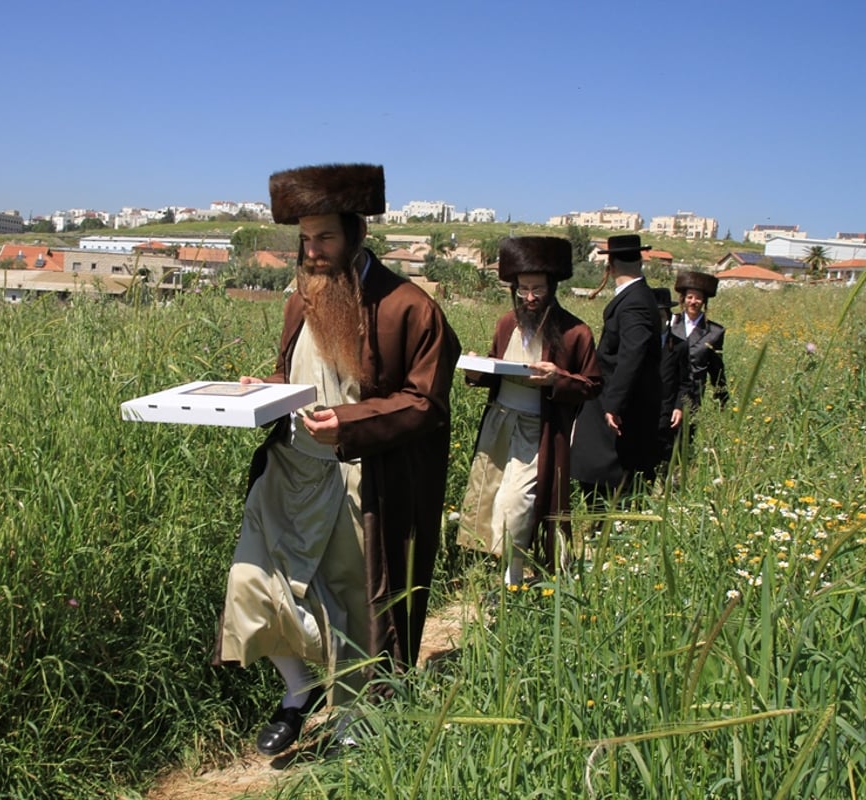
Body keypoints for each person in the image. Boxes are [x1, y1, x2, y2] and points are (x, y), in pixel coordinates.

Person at [213, 163, 461, 757]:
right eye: (304, 239)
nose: (312, 251)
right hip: (289, 471)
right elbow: (297, 374)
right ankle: (298, 693)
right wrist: (262, 388)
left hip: (357, 477)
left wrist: (346, 424)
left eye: (324, 238)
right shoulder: (302, 299)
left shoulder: (411, 309)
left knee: (355, 605)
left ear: (356, 234)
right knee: (249, 583)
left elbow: (426, 402)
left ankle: (353, 720)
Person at [458, 236, 601, 581]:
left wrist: (558, 378)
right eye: (523, 290)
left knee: (516, 506)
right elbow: (496, 367)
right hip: (499, 425)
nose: (530, 298)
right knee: (489, 500)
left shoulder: (575, 332)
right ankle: (509, 574)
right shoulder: (507, 323)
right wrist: (478, 367)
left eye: (537, 289)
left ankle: (516, 579)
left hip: (537, 432)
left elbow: (592, 385)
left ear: (552, 287)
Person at [570, 234, 663, 511]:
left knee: (603, 474)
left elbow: (632, 354)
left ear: (609, 266)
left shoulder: (634, 301)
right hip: (616, 402)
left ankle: (603, 528)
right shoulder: (639, 296)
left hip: (614, 407)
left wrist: (614, 404)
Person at [669, 270, 729, 408]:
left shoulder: (715, 332)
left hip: (693, 395)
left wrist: (722, 399)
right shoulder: (671, 322)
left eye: (698, 298)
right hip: (669, 391)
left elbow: (716, 368)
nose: (693, 302)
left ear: (704, 302)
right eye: (689, 297)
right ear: (683, 299)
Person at [653, 286, 697, 472]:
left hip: (666, 409)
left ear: (668, 317)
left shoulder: (679, 346)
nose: (657, 320)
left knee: (665, 455)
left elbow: (686, 381)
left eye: (661, 315)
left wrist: (679, 406)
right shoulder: (639, 344)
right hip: (644, 410)